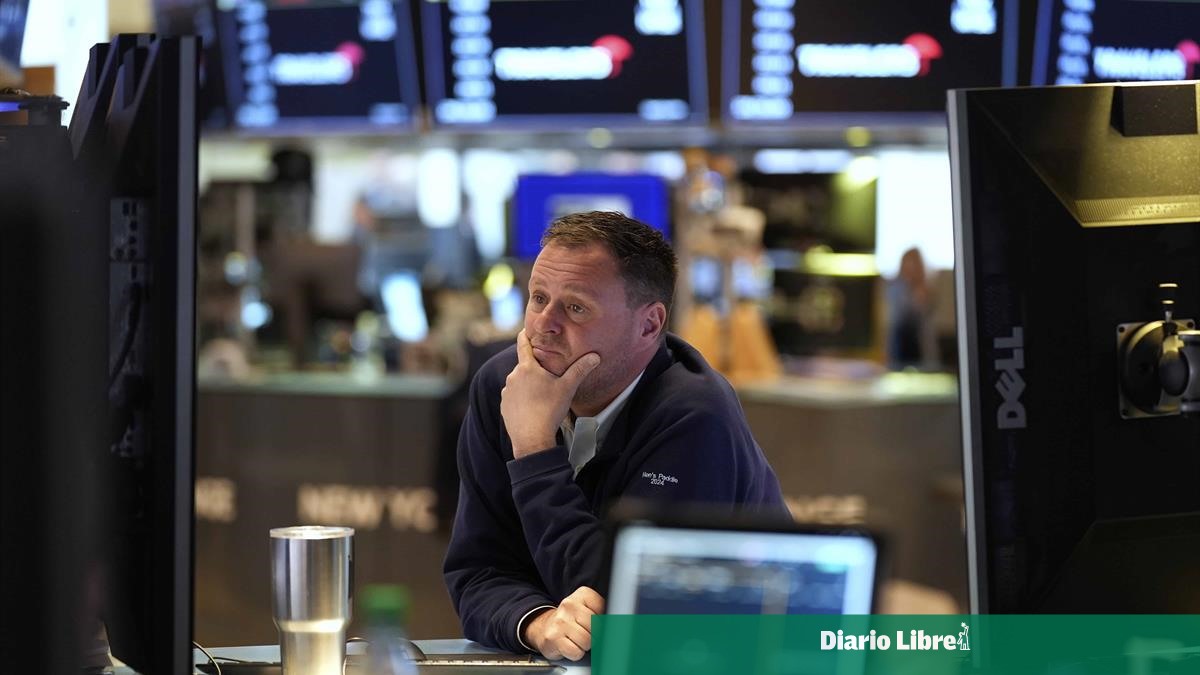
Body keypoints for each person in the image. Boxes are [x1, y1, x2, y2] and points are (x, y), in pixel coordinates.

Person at [443, 211, 787, 661]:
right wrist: (537, 622)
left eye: (576, 308)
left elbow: (631, 612)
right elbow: (476, 572)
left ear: (649, 325)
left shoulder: (694, 414)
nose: (544, 324)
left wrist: (533, 449)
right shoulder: (503, 386)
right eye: (538, 298)